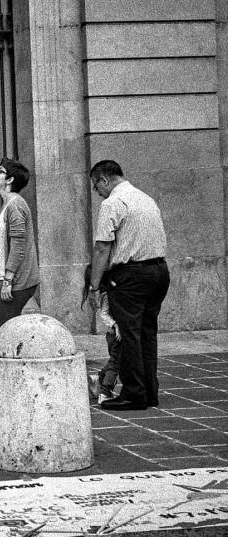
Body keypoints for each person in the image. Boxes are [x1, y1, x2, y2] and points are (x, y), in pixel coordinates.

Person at [88, 160, 170, 411]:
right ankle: (149, 392)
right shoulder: (145, 198)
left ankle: (134, 394)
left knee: (129, 335)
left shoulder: (112, 203)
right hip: (159, 271)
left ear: (104, 180)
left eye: (95, 186)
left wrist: (93, 286)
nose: (96, 192)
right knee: (147, 332)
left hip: (131, 274)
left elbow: (103, 247)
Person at [0, 158, 39, 330]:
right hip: (4, 277)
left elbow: (18, 246)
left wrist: (8, 281)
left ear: (10, 180)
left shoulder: (15, 204)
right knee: (6, 329)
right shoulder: (7, 204)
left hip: (14, 282)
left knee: (3, 331)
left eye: (0, 171)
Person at [81, 264, 121, 404]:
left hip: (114, 334)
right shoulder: (106, 295)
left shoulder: (111, 291)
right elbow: (103, 314)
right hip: (115, 334)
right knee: (116, 362)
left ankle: (98, 379)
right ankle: (105, 391)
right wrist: (115, 325)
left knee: (115, 361)